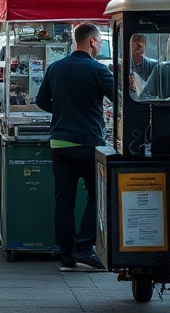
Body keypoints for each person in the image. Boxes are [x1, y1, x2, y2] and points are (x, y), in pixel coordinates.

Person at [34, 22, 113, 272]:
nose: (99, 46)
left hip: (59, 143)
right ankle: (84, 245)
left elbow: (40, 100)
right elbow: (119, 99)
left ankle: (66, 256)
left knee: (64, 201)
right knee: (97, 195)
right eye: (99, 42)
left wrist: (63, 112)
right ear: (91, 42)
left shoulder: (56, 68)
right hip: (88, 143)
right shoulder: (98, 70)